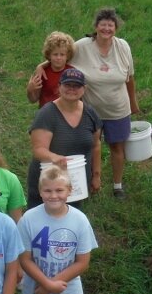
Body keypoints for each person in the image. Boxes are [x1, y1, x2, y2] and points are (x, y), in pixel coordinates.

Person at [71, 8, 140, 198]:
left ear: (116, 28)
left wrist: (133, 103)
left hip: (117, 109)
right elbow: (58, 56)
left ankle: (117, 185)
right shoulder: (82, 46)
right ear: (96, 27)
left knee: (117, 147)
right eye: (103, 24)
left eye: (111, 25)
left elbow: (130, 78)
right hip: (89, 109)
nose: (107, 28)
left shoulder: (123, 47)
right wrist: (41, 66)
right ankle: (89, 182)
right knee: (88, 147)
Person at [25, 67, 102, 208]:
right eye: (67, 85)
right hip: (48, 184)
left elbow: (96, 145)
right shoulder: (46, 114)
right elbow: (38, 150)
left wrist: (96, 175)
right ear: (59, 87)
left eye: (76, 85)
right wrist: (55, 157)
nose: (72, 89)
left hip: (75, 184)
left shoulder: (90, 113)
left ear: (84, 88)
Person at [26, 31, 76, 107]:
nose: (58, 58)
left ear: (67, 56)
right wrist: (30, 89)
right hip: (46, 114)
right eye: (55, 54)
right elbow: (33, 99)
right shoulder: (42, 72)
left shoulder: (72, 73)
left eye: (62, 54)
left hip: (65, 114)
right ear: (49, 55)